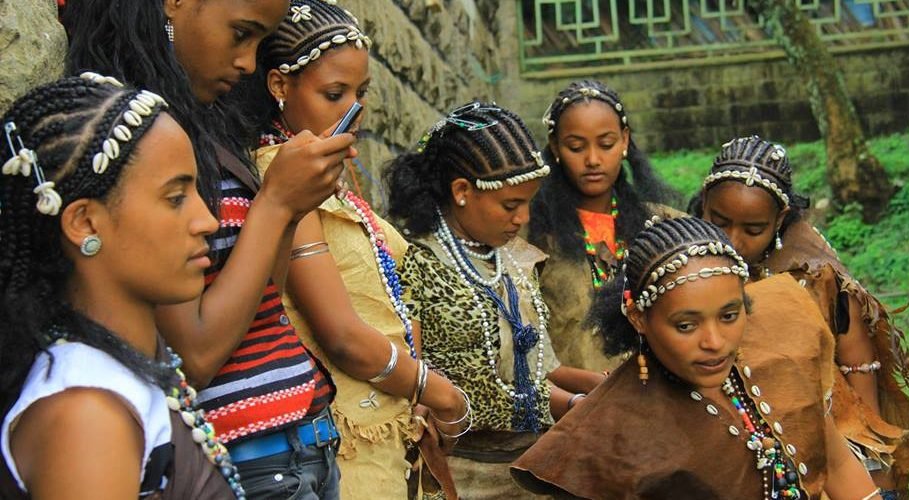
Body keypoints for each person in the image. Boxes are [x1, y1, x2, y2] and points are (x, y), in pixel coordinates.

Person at [63, 1, 358, 497]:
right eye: (241, 34)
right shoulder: (128, 138)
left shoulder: (203, 125)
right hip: (244, 457)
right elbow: (192, 356)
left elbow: (262, 304)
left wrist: (287, 209)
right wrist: (276, 203)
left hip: (302, 440)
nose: (247, 63)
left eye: (260, 43)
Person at [249, 1, 470, 498]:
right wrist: (438, 392)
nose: (353, 108)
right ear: (280, 86)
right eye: (334, 93)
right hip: (349, 444)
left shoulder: (332, 177)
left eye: (361, 92)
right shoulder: (282, 175)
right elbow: (343, 336)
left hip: (390, 429)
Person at [511, 216, 881, 499]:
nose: (715, 342)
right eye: (686, 325)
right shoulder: (610, 434)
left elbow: (836, 462)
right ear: (639, 318)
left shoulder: (780, 355)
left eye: (730, 315)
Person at [0, 75, 237, 498]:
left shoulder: (128, 370)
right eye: (175, 197)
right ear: (85, 223)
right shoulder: (86, 417)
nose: (208, 221)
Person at [690, 136, 909, 496]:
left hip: (819, 442)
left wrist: (876, 469)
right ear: (703, 205)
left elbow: (859, 372)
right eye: (719, 221)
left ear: (780, 219)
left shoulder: (814, 275)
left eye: (753, 229)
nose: (733, 240)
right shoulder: (685, 264)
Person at [387, 102, 604, 499]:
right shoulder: (419, 264)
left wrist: (606, 388)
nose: (522, 218)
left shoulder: (513, 260)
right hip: (462, 473)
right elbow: (476, 392)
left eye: (528, 203)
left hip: (532, 466)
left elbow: (542, 368)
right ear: (462, 192)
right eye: (510, 205)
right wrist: (576, 406)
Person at [529, 80, 681, 373]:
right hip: (575, 404)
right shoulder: (532, 236)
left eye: (606, 144)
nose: (593, 160)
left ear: (625, 141)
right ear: (555, 147)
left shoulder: (666, 226)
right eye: (576, 147)